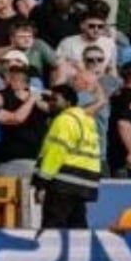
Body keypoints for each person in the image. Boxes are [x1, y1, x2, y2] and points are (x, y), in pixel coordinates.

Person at [34, 84, 102, 229]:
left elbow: (55, 154)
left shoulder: (64, 120)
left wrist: (41, 183)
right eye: (49, 99)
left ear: (69, 102)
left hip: (63, 182)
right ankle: (80, 253)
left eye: (55, 99)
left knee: (53, 227)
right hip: (84, 183)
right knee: (77, 228)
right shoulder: (87, 120)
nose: (50, 103)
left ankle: (51, 252)